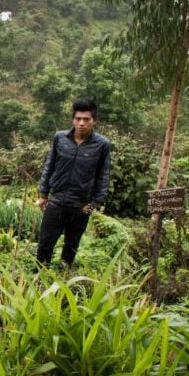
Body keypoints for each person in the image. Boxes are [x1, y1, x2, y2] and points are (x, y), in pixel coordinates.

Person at [35, 98, 111, 267]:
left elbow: (103, 176)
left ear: (94, 121)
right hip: (56, 200)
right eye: (78, 119)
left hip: (81, 205)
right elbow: (49, 166)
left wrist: (93, 204)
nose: (81, 123)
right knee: (45, 243)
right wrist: (43, 195)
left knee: (71, 245)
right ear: (73, 120)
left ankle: (64, 275)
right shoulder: (60, 138)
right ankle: (40, 275)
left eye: (86, 119)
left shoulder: (102, 145)